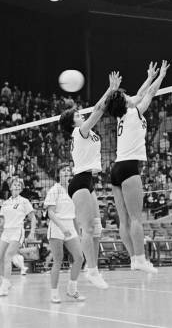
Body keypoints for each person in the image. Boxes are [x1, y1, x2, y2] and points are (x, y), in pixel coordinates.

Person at [58, 71, 120, 288]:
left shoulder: (85, 132)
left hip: (89, 182)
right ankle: (91, 270)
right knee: (87, 228)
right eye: (77, 115)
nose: (80, 115)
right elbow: (98, 110)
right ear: (72, 123)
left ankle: (93, 269)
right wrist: (111, 90)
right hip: (80, 182)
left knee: (97, 227)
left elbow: (95, 111)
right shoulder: (79, 132)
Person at [106, 61, 169, 273]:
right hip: (129, 168)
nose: (130, 96)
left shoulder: (122, 115)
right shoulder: (134, 112)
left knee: (123, 220)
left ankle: (134, 259)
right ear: (126, 102)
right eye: (126, 97)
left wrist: (150, 76)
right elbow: (148, 94)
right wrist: (160, 77)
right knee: (135, 219)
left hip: (115, 169)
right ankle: (141, 259)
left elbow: (140, 93)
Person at [44, 166, 85, 303]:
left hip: (70, 227)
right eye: (63, 171)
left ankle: (72, 289)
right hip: (56, 227)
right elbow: (50, 213)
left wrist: (78, 231)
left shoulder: (74, 190)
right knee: (58, 260)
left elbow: (74, 215)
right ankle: (54, 293)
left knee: (79, 257)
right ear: (59, 174)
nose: (66, 173)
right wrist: (62, 227)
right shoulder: (54, 190)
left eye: (68, 171)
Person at [0, 178, 36, 297]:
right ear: (10, 187)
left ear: (21, 189)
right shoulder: (5, 203)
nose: (16, 186)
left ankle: (4, 288)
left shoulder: (24, 201)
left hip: (17, 231)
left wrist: (31, 232)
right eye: (14, 185)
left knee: (8, 256)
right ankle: (6, 282)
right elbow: (2, 220)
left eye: (18, 185)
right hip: (6, 232)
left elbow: (33, 218)